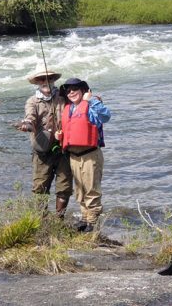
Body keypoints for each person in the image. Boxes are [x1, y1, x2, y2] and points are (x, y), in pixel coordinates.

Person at [15, 70, 73, 219]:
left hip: (63, 151)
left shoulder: (63, 97)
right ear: (37, 82)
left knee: (64, 188)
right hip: (42, 153)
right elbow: (30, 118)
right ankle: (43, 221)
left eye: (48, 78)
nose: (45, 81)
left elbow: (79, 105)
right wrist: (26, 126)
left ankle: (59, 221)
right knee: (40, 189)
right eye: (41, 79)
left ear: (53, 79)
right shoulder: (32, 101)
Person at [56, 78, 111, 232]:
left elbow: (105, 116)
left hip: (90, 155)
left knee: (92, 189)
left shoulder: (91, 105)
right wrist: (59, 135)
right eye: (68, 90)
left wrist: (91, 101)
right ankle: (85, 218)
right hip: (73, 156)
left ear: (84, 91)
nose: (71, 92)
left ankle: (92, 223)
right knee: (80, 190)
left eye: (75, 89)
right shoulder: (68, 109)